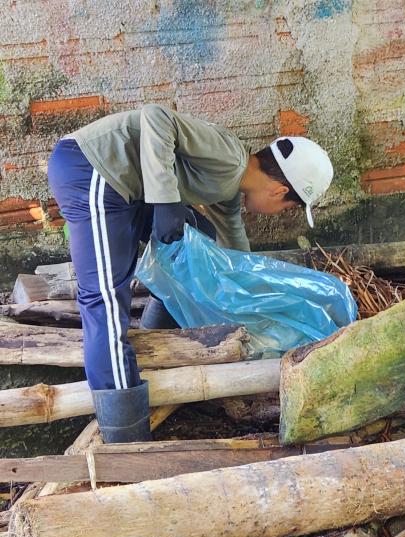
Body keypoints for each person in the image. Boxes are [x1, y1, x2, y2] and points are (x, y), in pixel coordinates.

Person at [47, 104, 334, 443]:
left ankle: (153, 343)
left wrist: (251, 288)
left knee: (199, 239)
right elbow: (156, 117)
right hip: (92, 169)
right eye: (289, 207)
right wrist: (165, 200)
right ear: (280, 191)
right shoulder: (228, 156)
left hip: (125, 188)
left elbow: (230, 241)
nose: (281, 211)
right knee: (105, 301)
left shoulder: (228, 186)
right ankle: (125, 439)